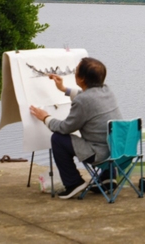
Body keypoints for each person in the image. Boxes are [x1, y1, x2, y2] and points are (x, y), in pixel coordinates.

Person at [29, 57, 123, 199]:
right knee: (103, 134)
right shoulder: (106, 90)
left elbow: (64, 128)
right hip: (117, 151)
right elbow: (88, 97)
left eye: (76, 71)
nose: (74, 73)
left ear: (82, 79)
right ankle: (108, 178)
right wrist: (63, 89)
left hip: (100, 155)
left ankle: (73, 183)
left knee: (58, 138)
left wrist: (45, 118)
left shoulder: (83, 101)